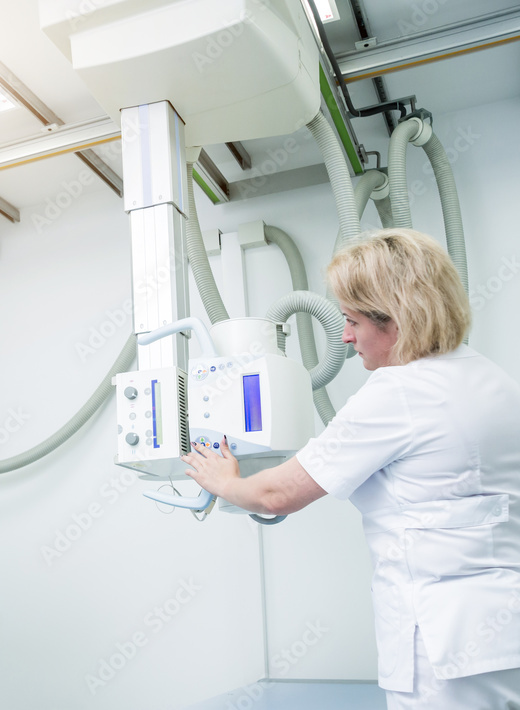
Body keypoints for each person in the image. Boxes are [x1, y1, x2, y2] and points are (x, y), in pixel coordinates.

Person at [182, 229, 520, 709]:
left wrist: (225, 481)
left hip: (441, 647)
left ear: (398, 317)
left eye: (352, 320)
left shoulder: (400, 392)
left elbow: (278, 495)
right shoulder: (492, 379)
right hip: (498, 633)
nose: (344, 336)